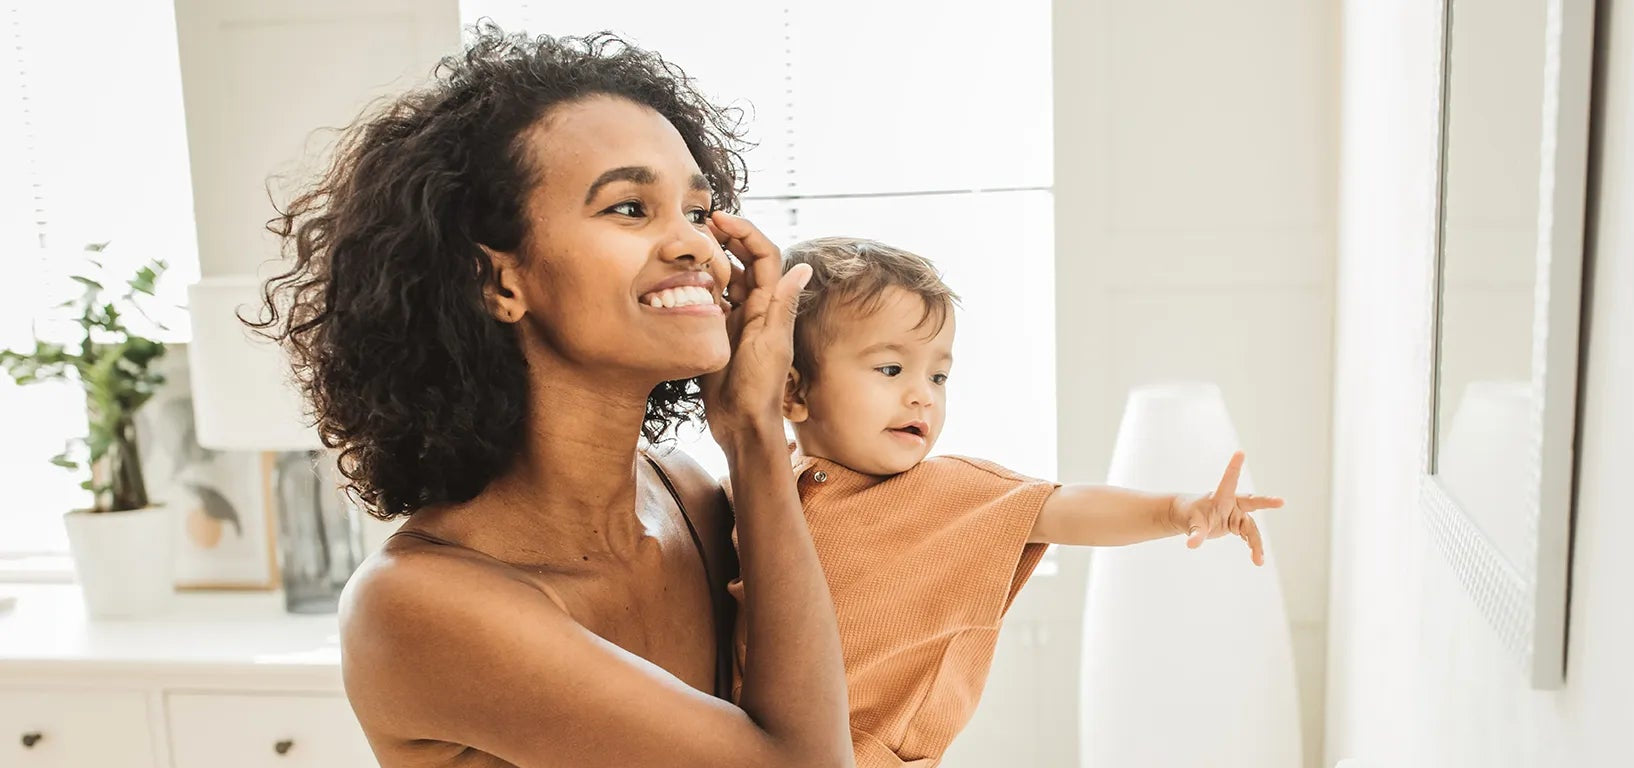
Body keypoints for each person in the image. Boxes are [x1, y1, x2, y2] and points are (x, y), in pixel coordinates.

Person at [257, 27, 855, 767]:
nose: (697, 246)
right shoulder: (418, 606)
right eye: (630, 209)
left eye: (698, 212)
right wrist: (755, 431)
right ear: (498, 282)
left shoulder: (689, 496)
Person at [727, 237, 1284, 767]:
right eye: (891, 369)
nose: (923, 393)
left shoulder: (951, 491)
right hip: (748, 740)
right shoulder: (761, 486)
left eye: (939, 375)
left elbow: (1063, 507)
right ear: (794, 391)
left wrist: (1178, 509)